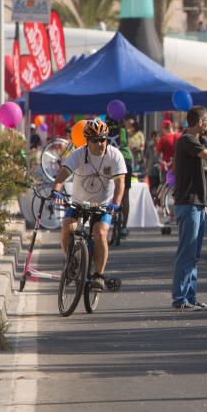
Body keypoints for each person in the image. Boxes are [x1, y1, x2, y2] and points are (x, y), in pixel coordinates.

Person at [51, 118, 125, 293]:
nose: (100, 144)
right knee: (67, 227)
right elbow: (61, 176)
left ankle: (99, 275)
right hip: (79, 202)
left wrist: (116, 204)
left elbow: (120, 183)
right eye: (95, 140)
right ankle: (71, 261)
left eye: (103, 139)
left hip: (103, 204)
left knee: (100, 233)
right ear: (87, 141)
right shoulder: (78, 154)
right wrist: (56, 191)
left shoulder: (114, 155)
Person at [170, 106, 207, 312]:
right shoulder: (188, 140)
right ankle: (180, 298)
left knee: (194, 254)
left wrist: (203, 203)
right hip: (188, 204)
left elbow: (202, 168)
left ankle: (191, 296)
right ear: (200, 123)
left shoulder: (194, 142)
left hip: (196, 203)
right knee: (186, 252)